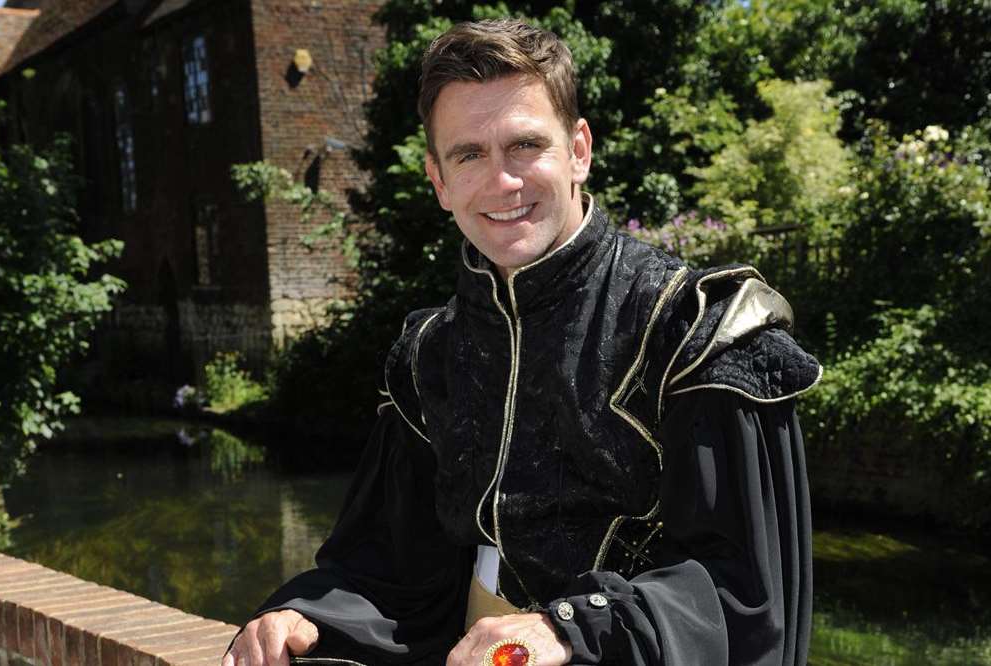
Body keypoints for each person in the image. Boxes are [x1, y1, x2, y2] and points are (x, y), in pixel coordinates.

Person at [222, 18, 821, 666]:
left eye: (525, 145)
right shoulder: (433, 357)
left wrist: (568, 629)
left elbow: (743, 596)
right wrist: (301, 616)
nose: (503, 181)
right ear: (439, 181)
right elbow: (392, 570)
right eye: (469, 154)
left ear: (579, 150)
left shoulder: (696, 331)